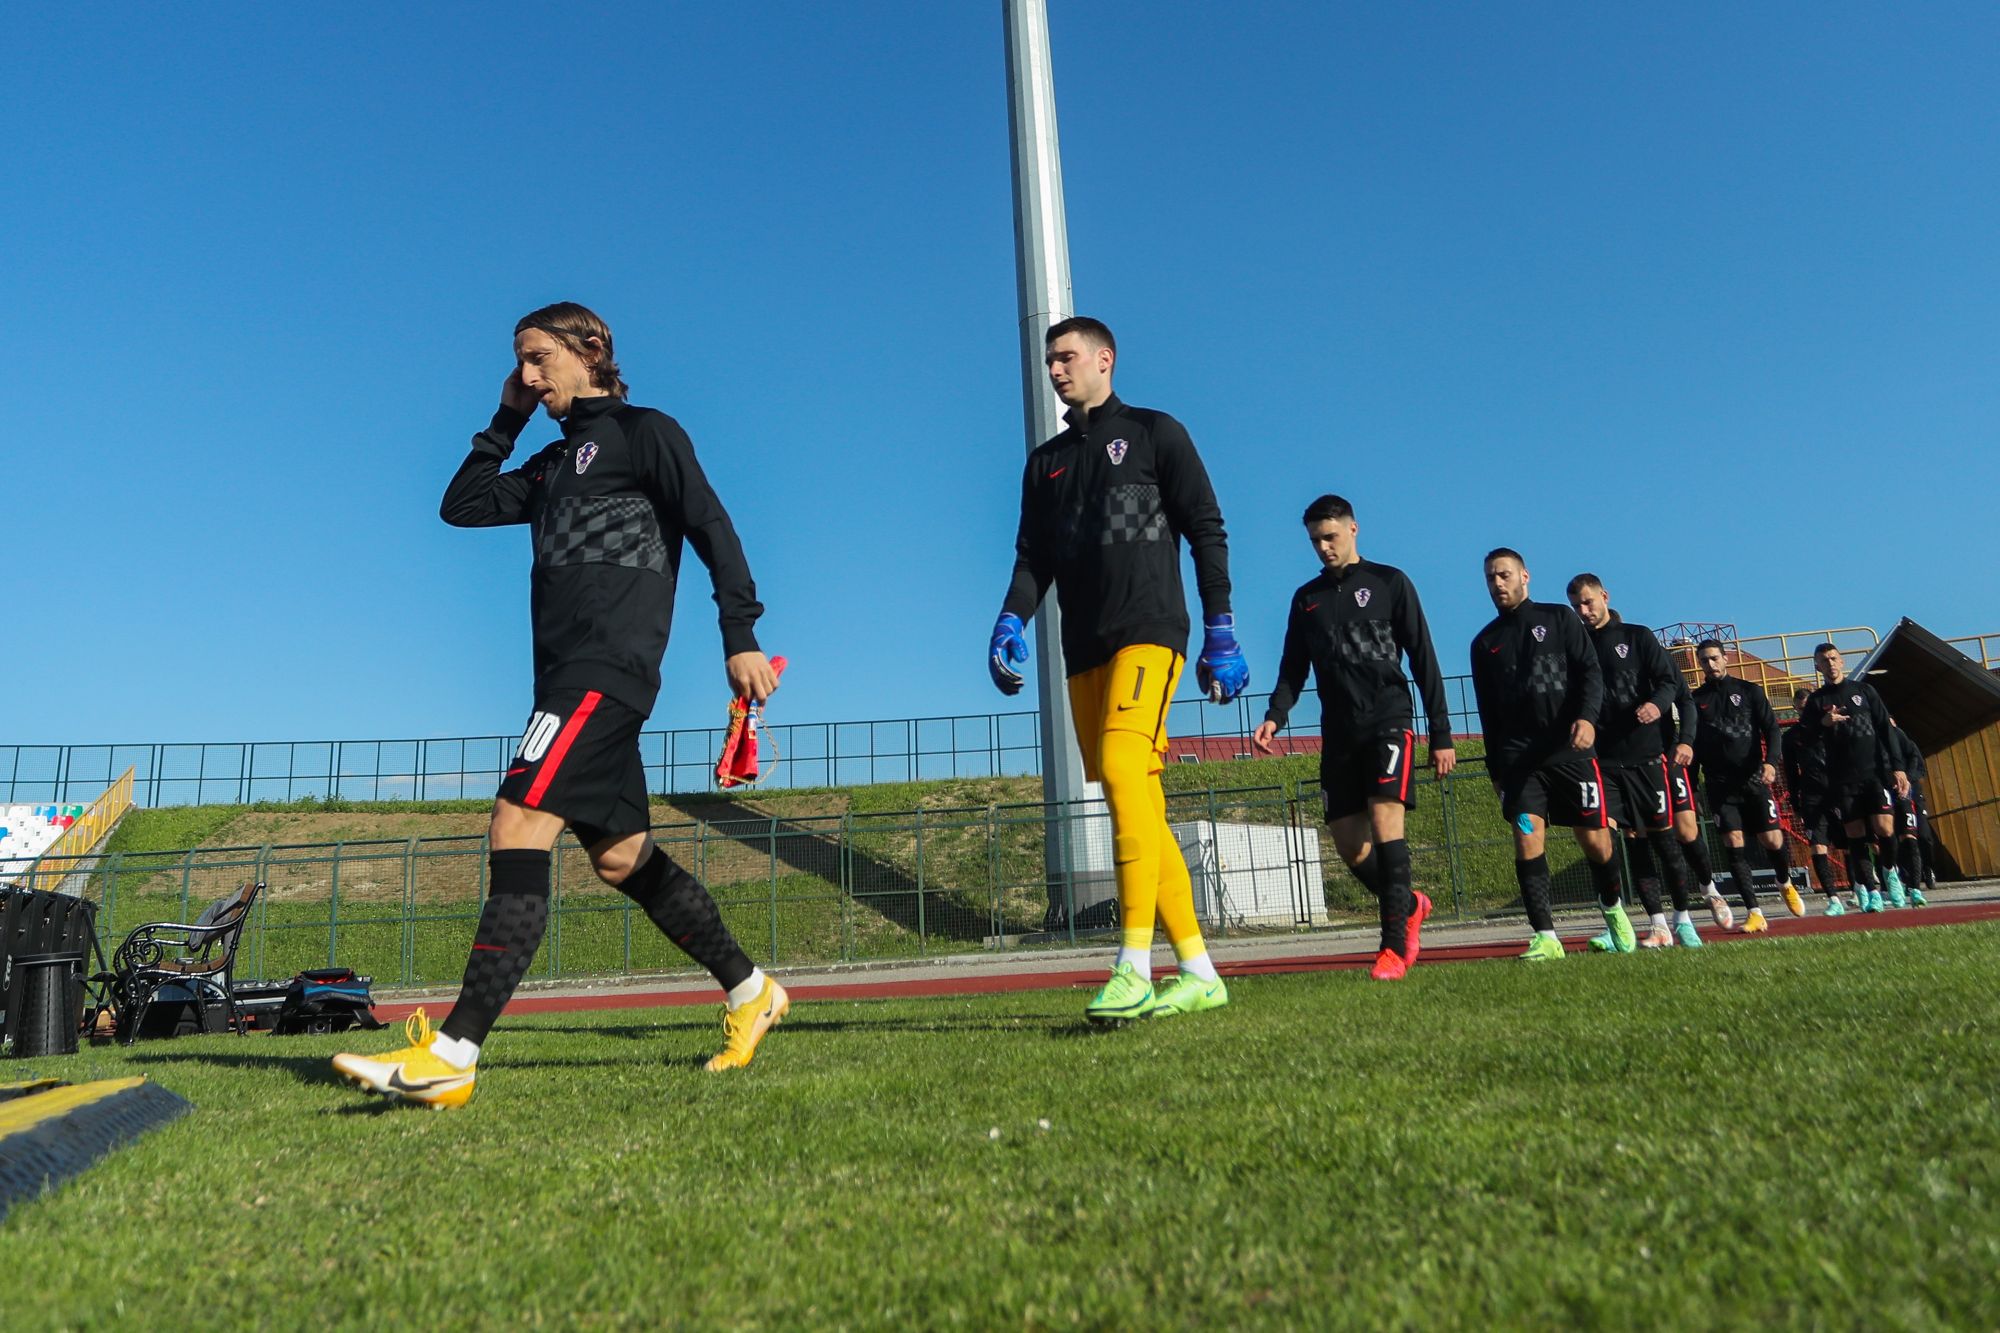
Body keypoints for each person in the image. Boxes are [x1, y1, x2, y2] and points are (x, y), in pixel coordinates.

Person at [333, 302, 789, 1108]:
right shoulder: (548, 463)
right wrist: (505, 418)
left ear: (592, 350)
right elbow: (463, 504)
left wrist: (741, 633)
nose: (529, 376)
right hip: (563, 679)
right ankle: (751, 989)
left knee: (515, 824)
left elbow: (713, 526)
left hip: (606, 670)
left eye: (539, 359)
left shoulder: (646, 432)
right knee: (621, 859)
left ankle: (454, 1053)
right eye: (521, 363)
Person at [988, 316, 1245, 1021]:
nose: (1056, 370)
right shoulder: (1045, 462)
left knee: (1128, 771)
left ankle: (1133, 964)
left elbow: (1206, 526)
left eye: (1067, 357)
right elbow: (1033, 557)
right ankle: (1198, 969)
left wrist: (1220, 625)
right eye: (1050, 361)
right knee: (1136, 802)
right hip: (1084, 647)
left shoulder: (1158, 431)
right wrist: (1011, 618)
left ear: (1106, 358)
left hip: (1150, 631)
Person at [1253, 495, 1456, 981]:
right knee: (1350, 846)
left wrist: (1441, 733)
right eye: (1315, 541)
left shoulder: (1390, 582)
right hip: (1338, 733)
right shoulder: (1307, 599)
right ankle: (1409, 903)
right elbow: (1292, 666)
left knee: (1388, 825)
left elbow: (1423, 658)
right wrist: (1275, 715)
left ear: (1353, 530)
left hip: (1389, 720)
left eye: (1330, 537)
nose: (1323, 547)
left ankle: (1391, 950)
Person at [1469, 550, 1627, 962]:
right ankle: (1545, 936)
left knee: (1595, 841)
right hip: (1519, 760)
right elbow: (1487, 711)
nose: (1497, 584)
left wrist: (1588, 719)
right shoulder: (1484, 643)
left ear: (1524, 576)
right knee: (1526, 836)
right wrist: (1494, 768)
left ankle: (1612, 910)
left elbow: (1591, 673)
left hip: (1570, 751)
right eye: (1490, 578)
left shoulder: (1558, 619)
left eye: (1504, 575)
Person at [1565, 576, 1704, 949]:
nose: (1584, 611)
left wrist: (1657, 705)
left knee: (1665, 841)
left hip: (1648, 757)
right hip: (1604, 761)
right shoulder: (1576, 648)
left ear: (1605, 597)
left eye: (1589, 602)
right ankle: (1648, 923)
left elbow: (1669, 683)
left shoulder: (1638, 637)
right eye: (1577, 606)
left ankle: (1683, 919)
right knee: (1619, 839)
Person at [1689, 641, 1805, 931]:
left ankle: (1784, 881)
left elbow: (1772, 729)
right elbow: (1691, 745)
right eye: (1704, 661)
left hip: (1753, 780)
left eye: (1715, 658)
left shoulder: (1750, 691)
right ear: (1699, 664)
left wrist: (1770, 762)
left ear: (1725, 658)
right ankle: (1754, 911)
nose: (1711, 664)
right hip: (1719, 786)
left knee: (1773, 841)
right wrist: (1692, 787)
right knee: (1734, 844)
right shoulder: (1696, 700)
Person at [1800, 644, 1909, 914]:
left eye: (1834, 658)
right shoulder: (1816, 702)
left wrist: (1898, 767)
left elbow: (1885, 728)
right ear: (1817, 667)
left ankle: (1890, 873)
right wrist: (1824, 723)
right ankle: (1871, 891)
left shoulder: (1864, 691)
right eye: (1824, 661)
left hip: (1873, 773)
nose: (1830, 664)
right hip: (1842, 779)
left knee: (1884, 828)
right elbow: (1805, 738)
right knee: (1855, 836)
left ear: (1842, 660)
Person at [1660, 671, 1733, 928]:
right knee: (1642, 837)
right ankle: (1659, 920)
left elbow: (1685, 701)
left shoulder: (1650, 655)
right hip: (1624, 763)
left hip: (1667, 757)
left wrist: (1686, 741)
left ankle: (1710, 889)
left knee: (1687, 832)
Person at [1783, 687, 1850, 914]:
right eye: (1801, 708)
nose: (1805, 712)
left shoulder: (1832, 727)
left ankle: (1861, 889)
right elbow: (1791, 773)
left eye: (1808, 707)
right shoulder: (1792, 737)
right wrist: (1795, 803)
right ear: (1796, 708)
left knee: (1849, 843)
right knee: (1817, 845)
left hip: (1837, 790)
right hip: (1811, 794)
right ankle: (1833, 899)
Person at [1886, 720, 1932, 907]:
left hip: (1907, 793)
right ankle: (1898, 881)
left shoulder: (1899, 736)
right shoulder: (1868, 737)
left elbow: (1916, 760)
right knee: (1890, 839)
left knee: (1919, 836)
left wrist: (1907, 780)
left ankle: (1920, 879)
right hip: (1884, 793)